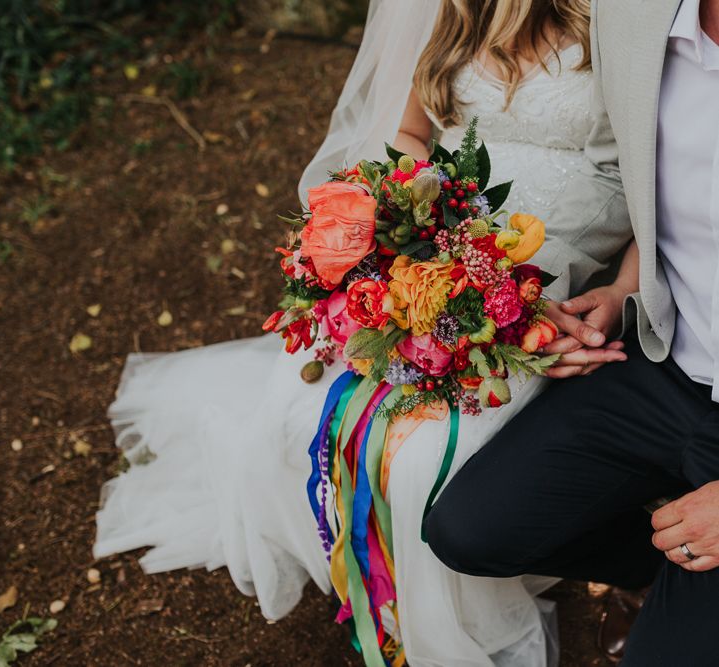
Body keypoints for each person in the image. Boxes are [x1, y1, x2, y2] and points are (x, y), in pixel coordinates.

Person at [94, 1, 631, 665]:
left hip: (556, 279)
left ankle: (456, 605)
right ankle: (386, 587)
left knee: (421, 459)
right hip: (445, 251)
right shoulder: (453, 14)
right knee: (301, 409)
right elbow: (408, 135)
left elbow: (660, 189)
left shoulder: (618, 20)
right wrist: (413, 225)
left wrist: (622, 289)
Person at [425, 0, 719, 664]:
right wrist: (620, 290)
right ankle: (662, 569)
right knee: (468, 529)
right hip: (669, 362)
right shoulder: (634, 16)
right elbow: (652, 180)